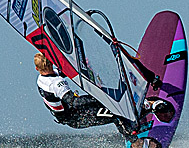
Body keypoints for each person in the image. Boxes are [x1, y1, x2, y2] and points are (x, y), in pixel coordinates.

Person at [34, 52, 173, 139]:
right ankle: (136, 142)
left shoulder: (42, 79)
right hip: (76, 117)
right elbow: (73, 102)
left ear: (37, 68)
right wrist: (99, 96)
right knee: (116, 113)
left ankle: (143, 107)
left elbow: (60, 73)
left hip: (72, 114)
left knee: (113, 102)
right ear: (50, 63)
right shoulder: (57, 84)